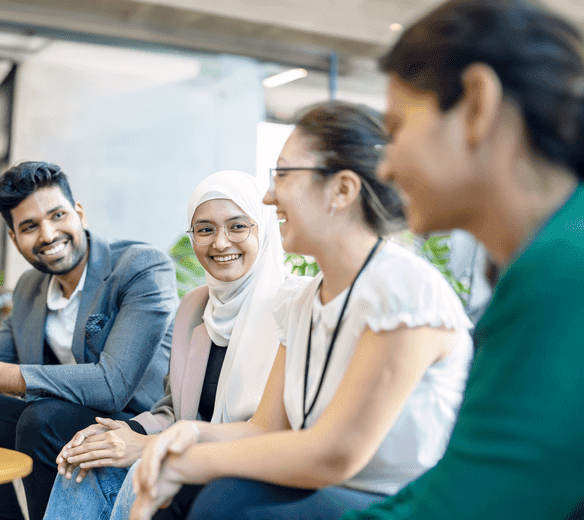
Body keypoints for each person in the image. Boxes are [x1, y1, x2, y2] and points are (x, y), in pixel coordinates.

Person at [129, 101, 475, 520]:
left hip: (408, 502)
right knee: (209, 496)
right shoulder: (304, 301)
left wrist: (191, 462)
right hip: (327, 490)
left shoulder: (405, 292)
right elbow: (265, 428)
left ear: (342, 190)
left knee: (226, 502)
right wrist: (189, 433)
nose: (269, 195)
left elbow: (336, 455)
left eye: (284, 175)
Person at [342, 1, 584, 518]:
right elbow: (467, 475)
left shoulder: (561, 269)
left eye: (395, 130)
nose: (384, 166)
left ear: (476, 104)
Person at [0, 161, 178, 520]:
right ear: (14, 238)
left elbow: (112, 385)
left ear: (79, 213)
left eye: (57, 215)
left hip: (132, 426)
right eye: (29, 226)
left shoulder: (139, 268)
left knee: (42, 420)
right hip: (60, 423)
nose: (47, 234)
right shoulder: (30, 289)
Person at [43, 170, 287, 520]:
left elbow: (274, 431)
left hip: (248, 463)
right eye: (205, 230)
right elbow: (173, 410)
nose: (220, 243)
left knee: (143, 477)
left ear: (263, 229)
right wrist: (125, 434)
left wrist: (148, 446)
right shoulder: (194, 307)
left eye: (237, 226)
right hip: (182, 449)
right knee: (89, 459)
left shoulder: (290, 307)